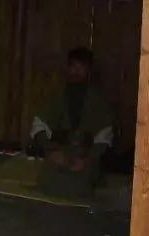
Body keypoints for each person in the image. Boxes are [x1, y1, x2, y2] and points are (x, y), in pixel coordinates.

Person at [27, 47, 114, 192]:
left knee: (81, 187)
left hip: (85, 156)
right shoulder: (57, 95)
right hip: (59, 152)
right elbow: (39, 125)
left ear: (89, 70)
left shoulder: (98, 101)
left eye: (81, 67)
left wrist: (88, 159)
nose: (76, 71)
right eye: (73, 66)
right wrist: (52, 151)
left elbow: (104, 136)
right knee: (49, 182)